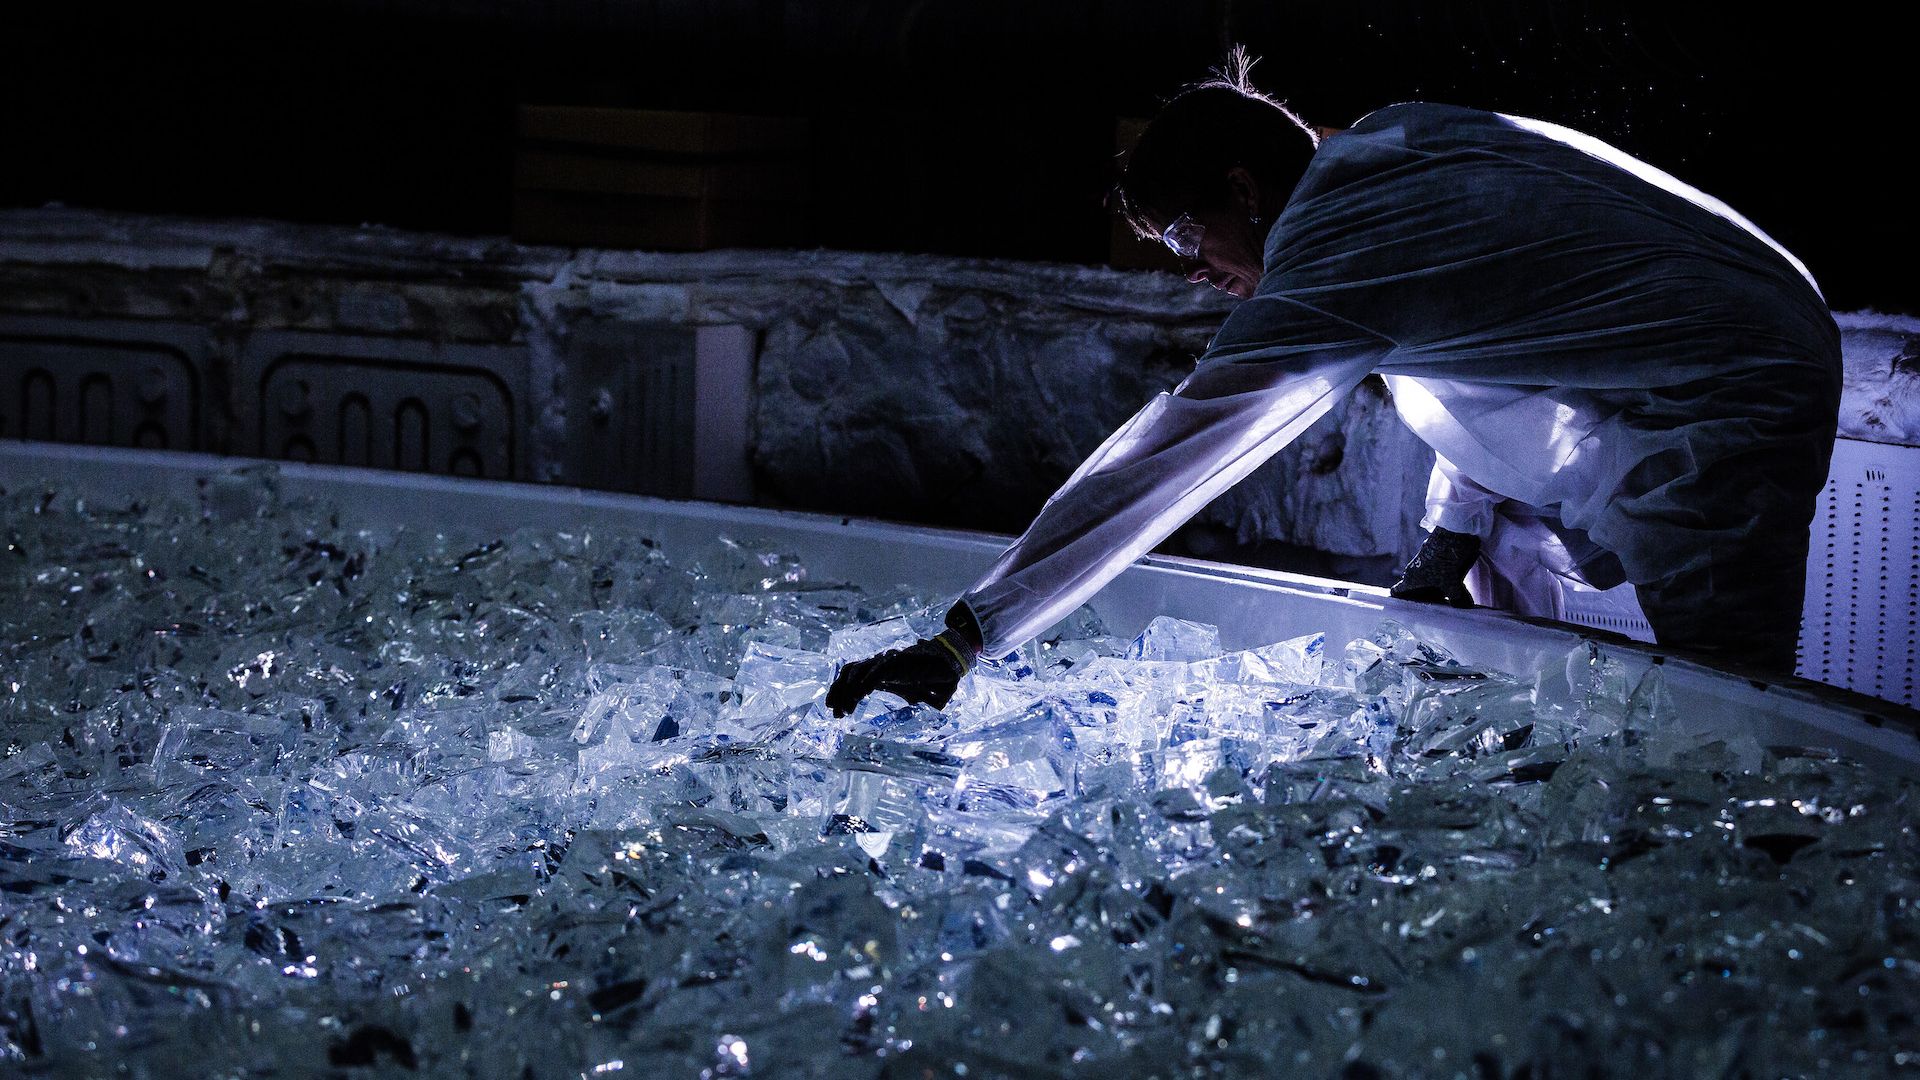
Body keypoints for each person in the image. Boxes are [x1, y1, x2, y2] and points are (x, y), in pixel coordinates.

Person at [824, 53, 1841, 718]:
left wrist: (971, 634)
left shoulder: (1336, 240)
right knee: (1494, 607)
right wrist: (1449, 536)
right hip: (1739, 328)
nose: (1190, 269)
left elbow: (1170, 456)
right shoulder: (1385, 154)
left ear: (1242, 189)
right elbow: (1491, 342)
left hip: (1729, 377)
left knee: (1742, 722)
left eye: (1186, 235)